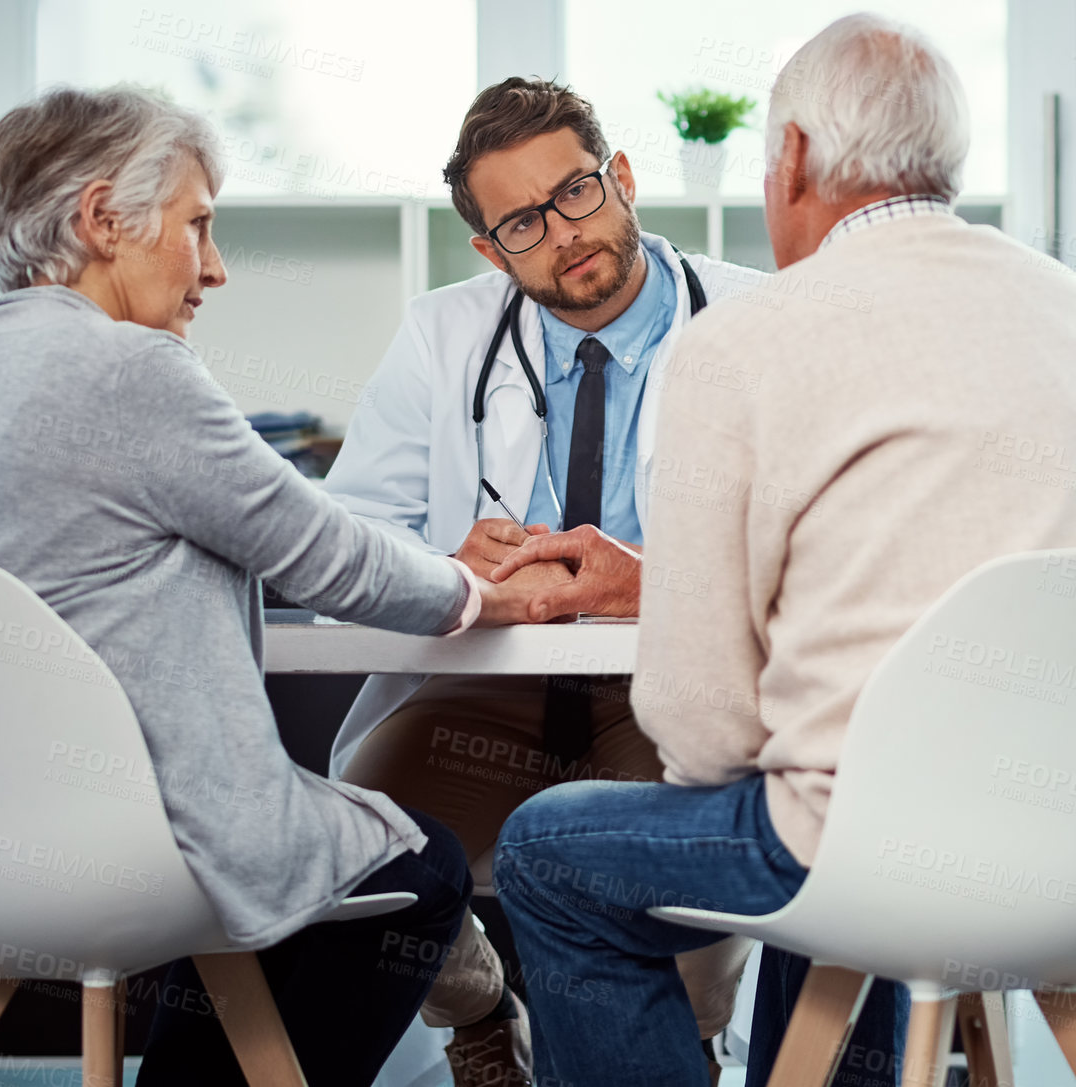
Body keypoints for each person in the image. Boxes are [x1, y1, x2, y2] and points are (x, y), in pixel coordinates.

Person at [488, 13, 1076, 1086]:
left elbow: (700, 729)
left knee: (548, 852)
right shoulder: (1064, 301)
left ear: (795, 160)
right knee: (856, 805)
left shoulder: (745, 337)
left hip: (891, 851)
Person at [0, 85, 540, 1087]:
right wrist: (478, 589)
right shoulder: (131, 370)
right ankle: (483, 1024)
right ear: (102, 219)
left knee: (267, 871)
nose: (215, 268)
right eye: (198, 226)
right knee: (419, 866)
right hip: (122, 842)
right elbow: (327, 557)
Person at [317, 78, 763, 1084]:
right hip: (484, 690)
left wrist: (648, 580)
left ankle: (679, 1039)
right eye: (522, 221)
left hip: (671, 689)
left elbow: (813, 551)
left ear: (622, 178)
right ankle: (477, 1012)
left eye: (574, 193)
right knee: (350, 849)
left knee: (687, 848)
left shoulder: (754, 322)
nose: (563, 233)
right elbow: (343, 537)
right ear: (489, 249)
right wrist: (435, 565)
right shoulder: (442, 335)